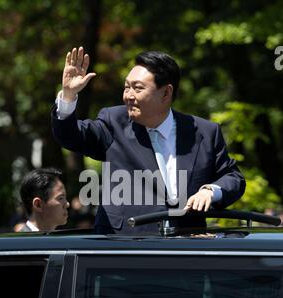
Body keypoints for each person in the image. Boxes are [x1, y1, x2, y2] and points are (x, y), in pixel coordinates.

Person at [51, 47, 246, 234]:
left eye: (137, 88)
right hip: (125, 246)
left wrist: (211, 192)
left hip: (187, 250)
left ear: (166, 93)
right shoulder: (113, 122)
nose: (128, 95)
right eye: (126, 87)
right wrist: (68, 96)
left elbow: (234, 178)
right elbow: (71, 137)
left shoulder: (204, 132)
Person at [19, 167, 70, 232]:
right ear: (38, 205)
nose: (67, 204)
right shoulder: (22, 241)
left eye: (65, 198)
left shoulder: (55, 241)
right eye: (60, 198)